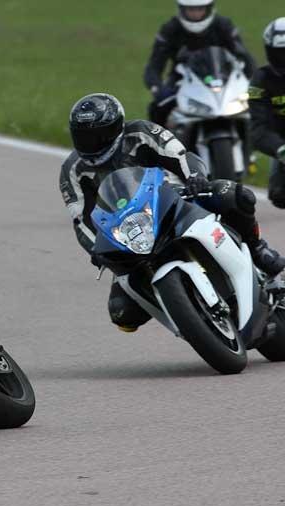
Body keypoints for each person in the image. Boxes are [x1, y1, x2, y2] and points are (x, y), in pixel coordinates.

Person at [60, 93, 285, 332]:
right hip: (130, 232)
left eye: (98, 135)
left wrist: (195, 178)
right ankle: (186, 312)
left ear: (117, 127)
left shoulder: (141, 132)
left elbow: (178, 153)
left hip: (173, 198)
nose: (92, 143)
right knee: (122, 314)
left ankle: (257, 248)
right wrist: (96, 250)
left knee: (235, 195)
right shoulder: (73, 169)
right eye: (83, 137)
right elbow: (80, 218)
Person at [144, 0, 256, 126]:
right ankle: (159, 142)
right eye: (191, 10)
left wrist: (253, 80)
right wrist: (157, 88)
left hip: (223, 79)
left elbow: (243, 55)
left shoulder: (223, 25)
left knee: (254, 106)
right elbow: (154, 64)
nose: (195, 14)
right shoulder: (170, 29)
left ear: (209, 9)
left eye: (200, 9)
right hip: (181, 80)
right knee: (158, 107)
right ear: (182, 9)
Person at [250, 18, 285, 208]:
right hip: (283, 143)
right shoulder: (262, 80)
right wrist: (280, 148)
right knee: (279, 195)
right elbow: (258, 129)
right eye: (282, 54)